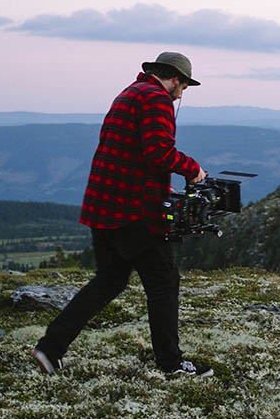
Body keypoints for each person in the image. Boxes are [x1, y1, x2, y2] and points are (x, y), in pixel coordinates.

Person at [32, 52, 213, 377]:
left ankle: (50, 347)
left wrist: (160, 189)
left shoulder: (129, 93)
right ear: (174, 78)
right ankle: (171, 365)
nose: (181, 94)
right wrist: (192, 170)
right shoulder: (157, 99)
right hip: (132, 213)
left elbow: (131, 155)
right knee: (164, 282)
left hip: (103, 204)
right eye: (183, 85)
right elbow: (159, 152)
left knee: (109, 280)